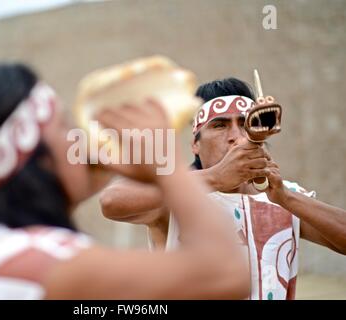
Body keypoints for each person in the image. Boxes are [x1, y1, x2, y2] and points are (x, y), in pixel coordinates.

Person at [0, 63, 250, 300]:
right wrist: (167, 166)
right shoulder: (38, 261)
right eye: (64, 126)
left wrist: (120, 160)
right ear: (31, 159)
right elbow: (228, 275)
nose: (79, 138)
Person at [100, 77, 346, 300]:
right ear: (195, 144)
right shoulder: (180, 193)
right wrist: (215, 178)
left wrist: (286, 198)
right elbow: (111, 201)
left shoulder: (285, 195)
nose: (235, 136)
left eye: (245, 124)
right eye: (220, 125)